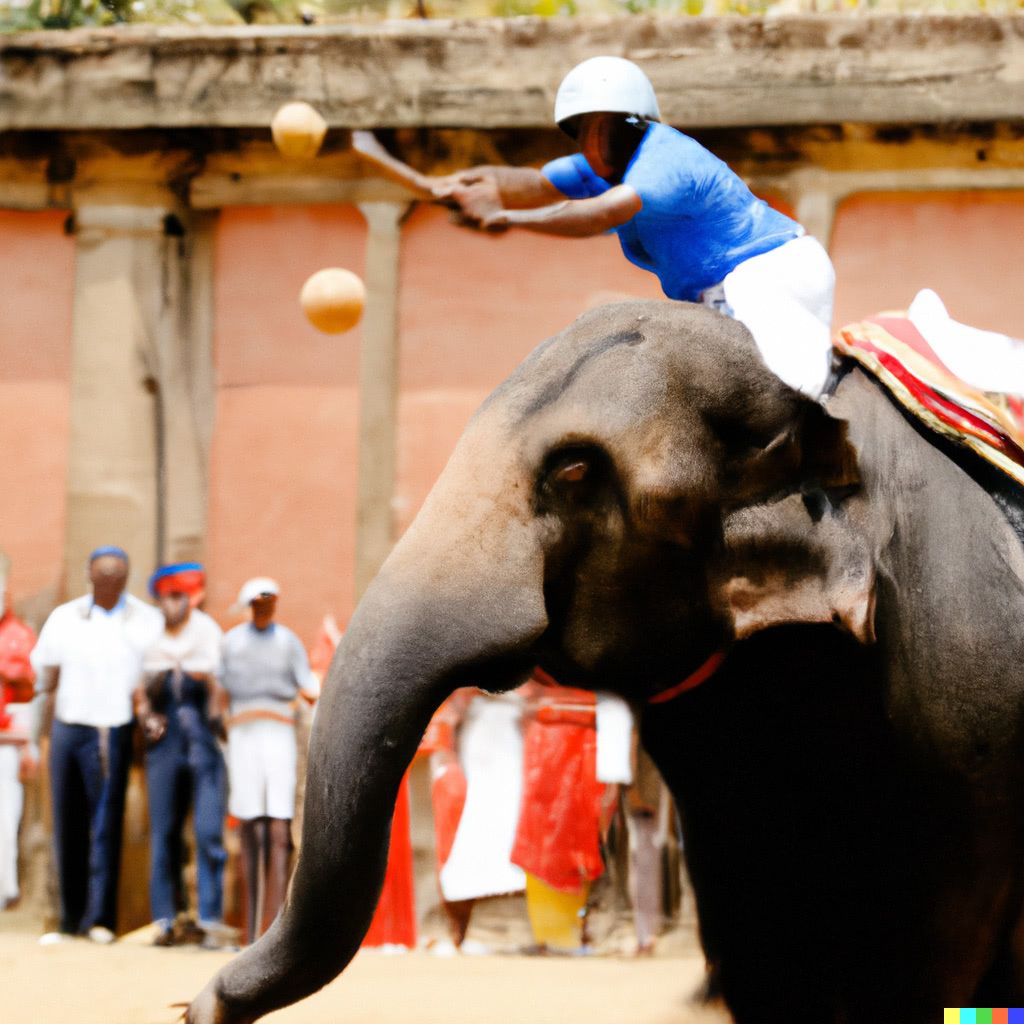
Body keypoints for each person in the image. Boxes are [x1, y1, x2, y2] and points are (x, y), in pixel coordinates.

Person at [432, 55, 836, 399]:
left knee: (777, 400)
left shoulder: (662, 161)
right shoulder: (606, 170)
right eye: (584, 131)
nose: (593, 144)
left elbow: (600, 215)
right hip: (719, 292)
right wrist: (464, 182)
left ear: (635, 125)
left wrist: (506, 217)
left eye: (604, 130)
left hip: (769, 274)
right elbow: (534, 185)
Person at [29, 546, 163, 944]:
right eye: (101, 576)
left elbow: (153, 681)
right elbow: (45, 677)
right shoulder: (65, 617)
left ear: (125, 578)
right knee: (66, 823)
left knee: (105, 825)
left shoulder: (145, 620)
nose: (108, 582)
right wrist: (41, 732)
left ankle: (100, 919)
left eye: (116, 577)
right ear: (89, 575)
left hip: (113, 729)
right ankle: (68, 920)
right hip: (70, 726)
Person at [134, 562, 229, 949]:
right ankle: (167, 919)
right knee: (165, 834)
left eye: (179, 596)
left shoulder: (208, 634)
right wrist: (146, 716)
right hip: (165, 742)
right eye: (166, 597)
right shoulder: (149, 638)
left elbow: (222, 687)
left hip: (203, 741)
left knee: (208, 832)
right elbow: (138, 691)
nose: (172, 604)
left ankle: (209, 918)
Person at [220, 577, 318, 944]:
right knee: (250, 823)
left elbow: (307, 685)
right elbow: (219, 687)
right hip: (244, 731)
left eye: (269, 601)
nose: (264, 607)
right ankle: (250, 926)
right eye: (258, 602)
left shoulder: (286, 641)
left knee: (277, 827)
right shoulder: (232, 643)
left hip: (278, 730)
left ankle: (276, 922)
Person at [0, 552, 37, 910]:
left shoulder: (18, 636)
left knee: (4, 817)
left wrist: (29, 748)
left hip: (5, 743)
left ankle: (3, 889)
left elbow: (27, 695)